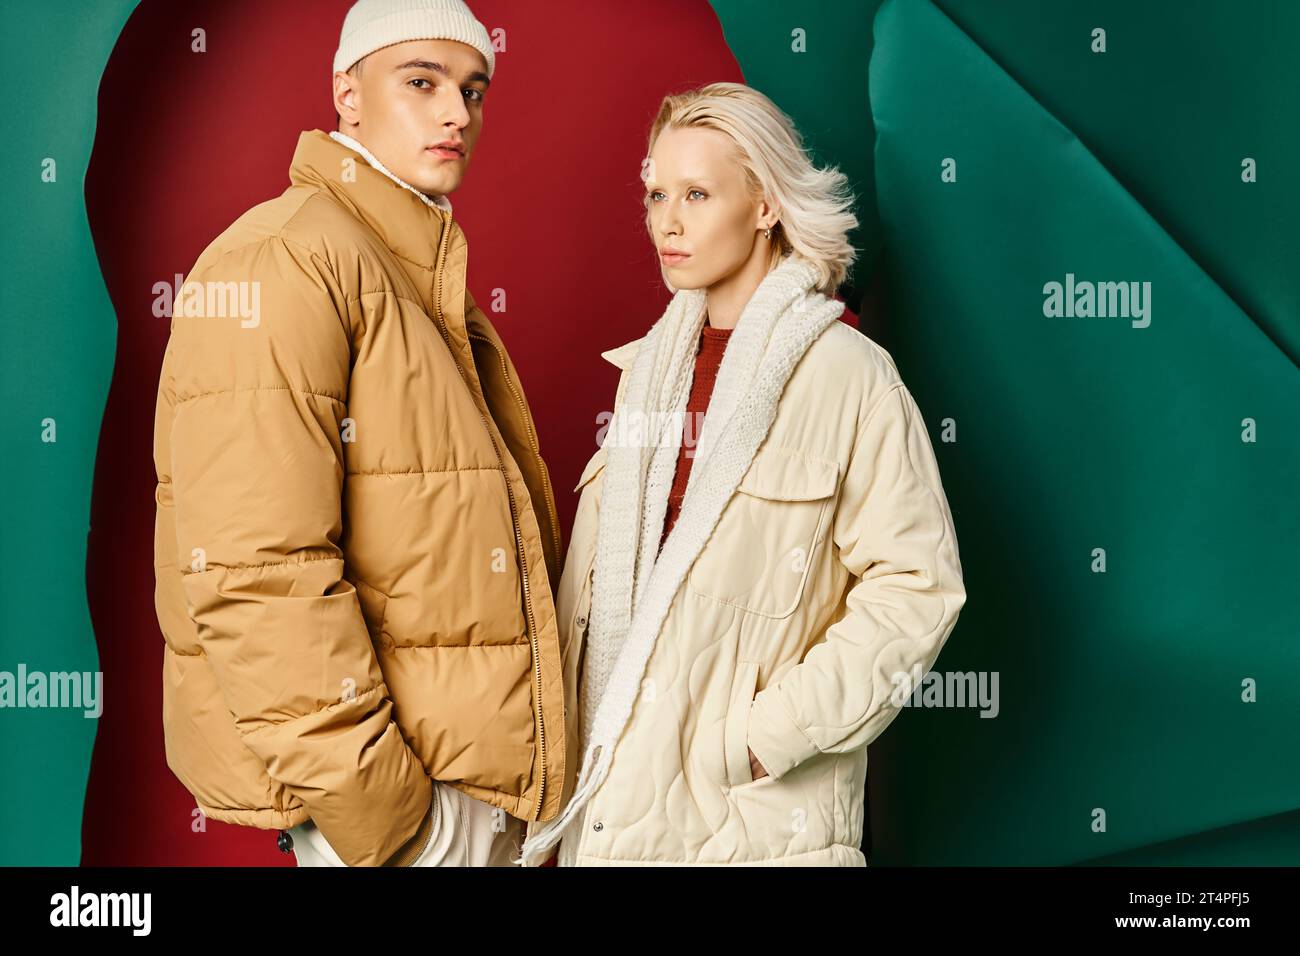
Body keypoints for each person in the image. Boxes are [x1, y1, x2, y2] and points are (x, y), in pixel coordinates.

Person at [152, 0, 567, 867]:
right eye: (422, 82)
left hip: (476, 795)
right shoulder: (283, 258)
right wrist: (390, 821)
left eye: (474, 89)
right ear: (347, 93)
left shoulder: (409, 270)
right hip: (404, 816)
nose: (458, 113)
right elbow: (257, 575)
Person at [517, 82, 967, 867]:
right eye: (656, 192)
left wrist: (766, 736)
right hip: (613, 814)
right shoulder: (646, 377)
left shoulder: (848, 376)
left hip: (755, 825)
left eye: (697, 193)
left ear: (764, 205)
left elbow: (918, 589)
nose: (667, 219)